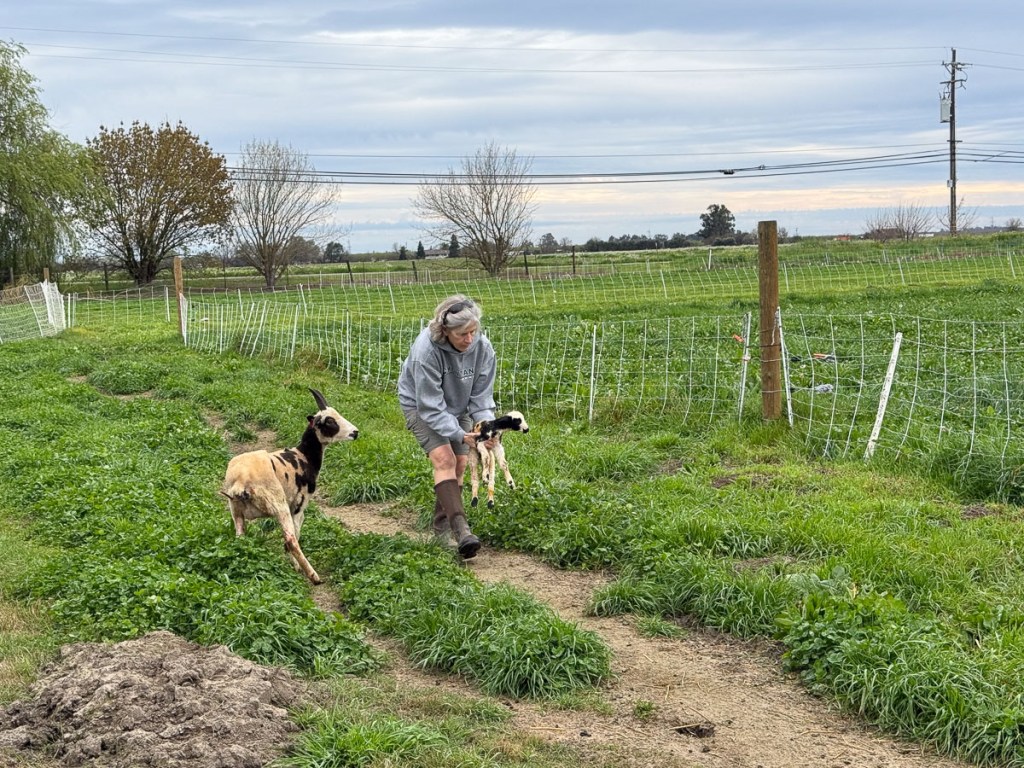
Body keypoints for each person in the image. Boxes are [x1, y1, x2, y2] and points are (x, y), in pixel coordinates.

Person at [397, 295, 496, 558]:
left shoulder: (482, 348)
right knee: (444, 458)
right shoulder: (425, 352)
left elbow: (481, 395)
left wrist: (486, 427)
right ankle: (461, 530)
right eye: (463, 334)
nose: (470, 339)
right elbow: (430, 405)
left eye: (474, 332)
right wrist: (459, 434)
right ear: (445, 331)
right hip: (420, 406)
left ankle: (441, 525)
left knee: (461, 463)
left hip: (458, 406)